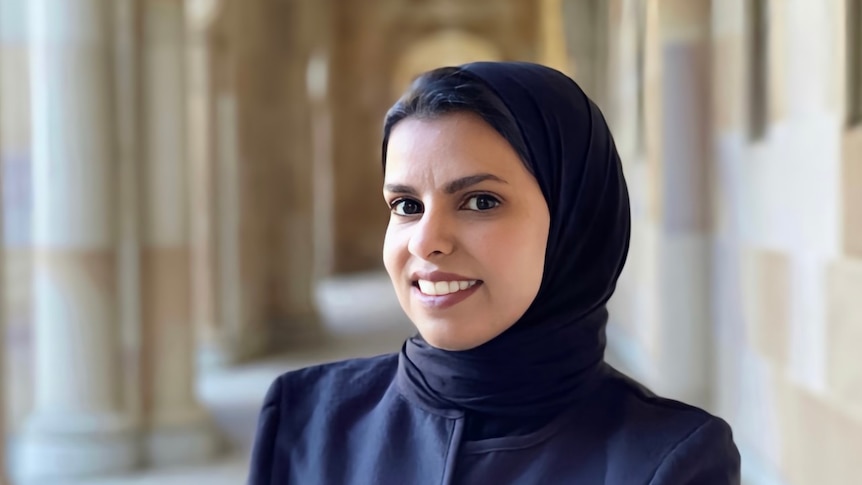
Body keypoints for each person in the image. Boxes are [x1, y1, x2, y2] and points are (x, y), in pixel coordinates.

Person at [247, 61, 741, 484]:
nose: (426, 241)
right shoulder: (306, 417)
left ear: (575, 221)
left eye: (480, 202)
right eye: (406, 204)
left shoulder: (668, 462)